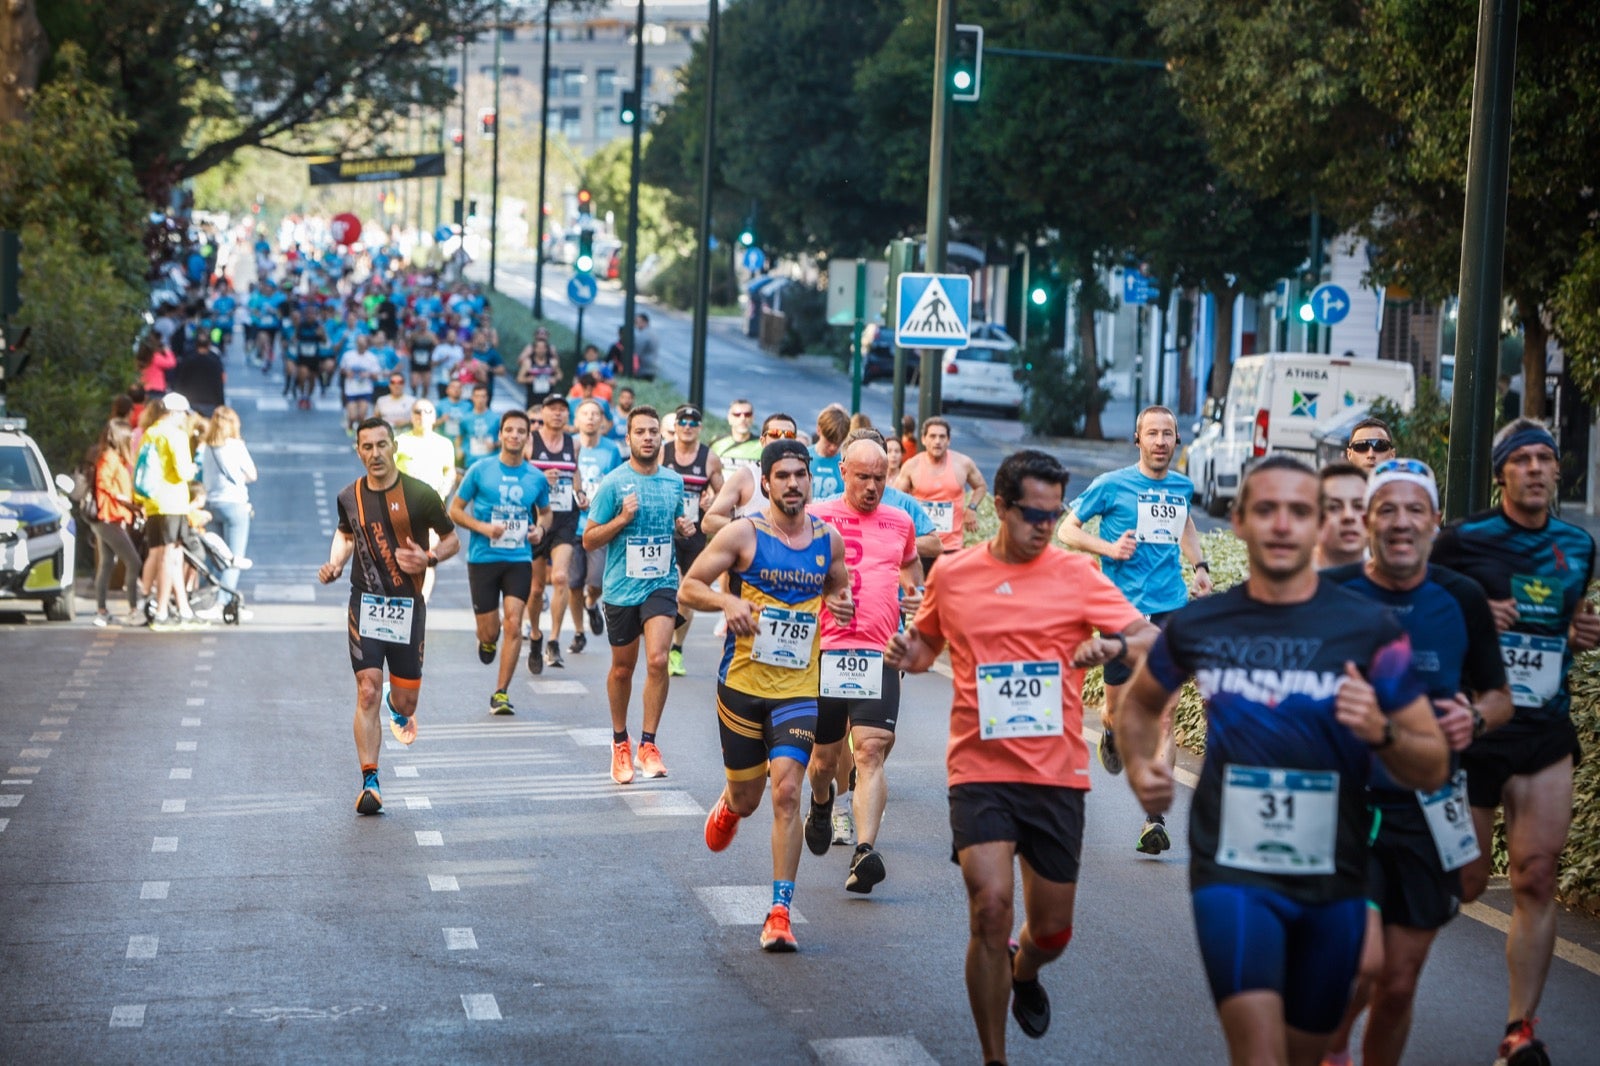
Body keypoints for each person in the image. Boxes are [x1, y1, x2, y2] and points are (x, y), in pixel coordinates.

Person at [1118, 455, 1448, 1066]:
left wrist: (1381, 730)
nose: (1281, 524)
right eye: (1265, 509)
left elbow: (1432, 763)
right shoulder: (1202, 623)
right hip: (1231, 867)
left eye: (1299, 511)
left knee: (1305, 1052)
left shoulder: (1370, 630)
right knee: (1260, 1053)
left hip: (1336, 875)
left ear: (1320, 523)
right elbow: (1138, 707)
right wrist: (1141, 769)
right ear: (1238, 521)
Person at [884, 449, 1158, 1063]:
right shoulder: (953, 575)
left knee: (1053, 931)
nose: (1043, 524)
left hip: (1055, 771)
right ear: (1001, 508)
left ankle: (1026, 968)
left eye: (1053, 514)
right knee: (988, 906)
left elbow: (1147, 635)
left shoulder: (1077, 574)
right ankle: (994, 1056)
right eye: (1032, 513)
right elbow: (927, 646)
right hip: (979, 767)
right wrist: (908, 654)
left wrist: (1110, 642)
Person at [1319, 458, 1515, 1066]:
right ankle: (1326, 1051)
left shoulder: (1461, 600)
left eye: (1414, 510)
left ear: (1434, 521)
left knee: (1398, 984)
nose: (1401, 523)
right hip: (1346, 810)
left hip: (1430, 811)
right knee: (1359, 966)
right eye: (1387, 509)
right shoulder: (1334, 596)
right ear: (1369, 520)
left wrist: (1475, 719)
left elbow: (1500, 696)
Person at [1430, 419, 1600, 1066]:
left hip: (1544, 732)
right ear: (1501, 473)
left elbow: (1570, 622)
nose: (1534, 468)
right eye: (1521, 459)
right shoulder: (1463, 542)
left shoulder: (1577, 546)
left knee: (1535, 876)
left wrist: (1584, 632)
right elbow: (1414, 602)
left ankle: (1519, 1030)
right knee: (1469, 883)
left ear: (1558, 471)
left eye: (1545, 459)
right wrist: (1469, 611)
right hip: (1476, 732)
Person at [685, 439, 854, 951]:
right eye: (782, 476)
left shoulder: (830, 541)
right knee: (750, 797)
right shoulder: (743, 534)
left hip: (799, 688)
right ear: (765, 483)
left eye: (800, 475)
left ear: (811, 480)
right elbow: (688, 587)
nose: (793, 484)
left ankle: (779, 912)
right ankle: (731, 805)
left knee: (786, 793)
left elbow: (837, 590)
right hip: (742, 684)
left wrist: (839, 607)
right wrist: (724, 601)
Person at [1055, 405, 1212, 854]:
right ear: (1138, 439)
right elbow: (1069, 529)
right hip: (1119, 610)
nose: (1161, 441)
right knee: (1116, 708)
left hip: (1170, 608)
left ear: (1177, 441)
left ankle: (1154, 819)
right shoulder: (1112, 485)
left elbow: (1185, 523)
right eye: (1153, 434)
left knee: (1166, 712)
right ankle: (1110, 730)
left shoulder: (1180, 485)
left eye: (1168, 434)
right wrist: (1109, 547)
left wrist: (1199, 565)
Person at [318, 417, 460, 814]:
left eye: (382, 445)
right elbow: (347, 533)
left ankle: (397, 708)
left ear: (394, 446)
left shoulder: (420, 495)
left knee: (406, 702)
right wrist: (334, 563)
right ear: (358, 451)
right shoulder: (350, 496)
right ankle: (370, 781)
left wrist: (429, 558)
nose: (375, 453)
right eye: (367, 447)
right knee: (366, 689)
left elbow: (452, 540)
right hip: (365, 602)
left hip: (408, 607)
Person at [804, 437, 921, 892]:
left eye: (880, 478)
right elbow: (790, 580)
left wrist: (915, 600)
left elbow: (911, 569)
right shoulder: (815, 518)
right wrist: (823, 598)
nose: (873, 487)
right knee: (823, 760)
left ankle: (865, 851)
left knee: (870, 751)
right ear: (842, 470)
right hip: (825, 652)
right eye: (863, 477)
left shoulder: (900, 521)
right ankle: (819, 802)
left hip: (880, 651)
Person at [582, 406, 696, 784]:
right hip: (621, 587)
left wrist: (684, 528)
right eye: (640, 432)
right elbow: (589, 538)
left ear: (660, 438)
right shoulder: (614, 483)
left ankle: (648, 743)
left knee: (659, 659)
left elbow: (680, 526)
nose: (648, 437)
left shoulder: (673, 482)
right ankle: (620, 743)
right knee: (622, 669)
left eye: (652, 431)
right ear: (628, 439)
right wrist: (621, 520)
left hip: (661, 583)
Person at [449, 409, 552, 715]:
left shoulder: (535, 477)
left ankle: (501, 692)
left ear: (527, 437)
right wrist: (483, 528)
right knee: (490, 631)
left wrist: (540, 530)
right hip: (483, 558)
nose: (515, 436)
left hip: (518, 558)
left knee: (514, 623)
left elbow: (545, 512)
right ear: (500, 435)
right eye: (509, 430)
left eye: (521, 431)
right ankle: (487, 641)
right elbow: (455, 510)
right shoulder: (480, 470)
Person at [661, 403, 724, 677]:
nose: (687, 426)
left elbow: (726, 499)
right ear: (675, 426)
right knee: (669, 584)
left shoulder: (709, 459)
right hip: (665, 530)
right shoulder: (663, 452)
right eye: (682, 422)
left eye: (693, 422)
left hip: (695, 534)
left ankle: (676, 648)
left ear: (700, 427)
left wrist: (712, 501)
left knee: (687, 590)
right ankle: (658, 638)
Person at [526, 393, 583, 671]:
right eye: (552, 409)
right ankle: (535, 634)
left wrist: (580, 492)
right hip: (536, 520)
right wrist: (538, 478)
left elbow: (575, 472)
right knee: (536, 588)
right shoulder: (529, 441)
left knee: (560, 577)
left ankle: (554, 640)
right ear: (544, 412)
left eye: (563, 410)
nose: (558, 414)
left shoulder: (574, 443)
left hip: (565, 519)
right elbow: (519, 472)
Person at [137, 392, 201, 630]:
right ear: (175, 413)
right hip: (172, 501)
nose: (185, 418)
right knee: (169, 557)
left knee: (171, 556)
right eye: (184, 413)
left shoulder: (150, 432)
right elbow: (184, 472)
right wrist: (193, 469)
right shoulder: (175, 435)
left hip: (152, 502)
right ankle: (163, 611)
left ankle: (183, 609)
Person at [893, 416, 987, 575]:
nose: (937, 441)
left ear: (949, 440)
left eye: (942, 436)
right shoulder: (912, 466)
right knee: (919, 595)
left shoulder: (963, 464)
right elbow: (896, 500)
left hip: (951, 547)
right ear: (923, 439)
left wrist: (972, 508)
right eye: (932, 436)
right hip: (921, 544)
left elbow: (981, 486)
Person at [567, 397, 622, 653]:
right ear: (576, 420)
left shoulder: (611, 450)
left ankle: (591, 604)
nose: (590, 418)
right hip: (570, 526)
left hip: (598, 525)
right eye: (585, 413)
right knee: (574, 583)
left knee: (597, 581)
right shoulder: (569, 447)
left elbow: (616, 485)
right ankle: (578, 632)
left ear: (603, 421)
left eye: (595, 414)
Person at [395, 399, 459, 603]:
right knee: (400, 555)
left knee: (426, 555)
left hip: (431, 511)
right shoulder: (401, 441)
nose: (421, 415)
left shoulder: (444, 444)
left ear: (434, 417)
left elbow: (450, 472)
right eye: (417, 411)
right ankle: (401, 597)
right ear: (411, 416)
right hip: (401, 510)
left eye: (427, 411)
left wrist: (444, 491)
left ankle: (421, 601)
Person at [197, 406, 257, 620]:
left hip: (211, 505)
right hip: (235, 505)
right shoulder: (237, 446)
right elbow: (252, 474)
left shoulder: (206, 447)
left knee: (215, 556)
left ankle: (210, 599)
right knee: (234, 558)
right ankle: (222, 603)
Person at [87, 420, 145, 626]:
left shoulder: (111, 457)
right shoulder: (109, 458)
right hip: (108, 517)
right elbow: (104, 484)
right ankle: (133, 609)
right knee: (133, 562)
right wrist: (125, 501)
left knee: (106, 564)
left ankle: (102, 610)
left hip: (110, 518)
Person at [703, 413, 800, 535]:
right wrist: (749, 525)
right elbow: (708, 522)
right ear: (763, 441)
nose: (782, 440)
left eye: (789, 435)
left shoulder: (802, 477)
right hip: (751, 551)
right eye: (775, 434)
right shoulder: (746, 475)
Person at [1313, 461, 1368, 569]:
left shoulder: (1391, 580)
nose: (1348, 516)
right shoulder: (1289, 579)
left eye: (1359, 506)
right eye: (1334, 507)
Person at [340, 335, 384, 435]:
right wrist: (347, 373)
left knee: (361, 416)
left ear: (366, 345)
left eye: (363, 343)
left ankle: (359, 435)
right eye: (359, 343)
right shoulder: (348, 356)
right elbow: (342, 369)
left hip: (365, 389)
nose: (361, 345)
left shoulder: (371, 358)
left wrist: (368, 374)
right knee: (352, 416)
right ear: (356, 344)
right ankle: (350, 424)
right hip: (351, 389)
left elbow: (377, 375)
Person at [809, 404, 849, 501]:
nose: (833, 448)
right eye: (829, 441)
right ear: (819, 430)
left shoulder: (846, 461)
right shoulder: (804, 456)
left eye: (838, 443)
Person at [711, 399, 762, 475]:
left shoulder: (762, 445)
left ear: (753, 418)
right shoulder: (716, 443)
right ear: (729, 418)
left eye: (747, 414)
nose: (743, 418)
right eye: (737, 415)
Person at [517, 333, 561, 408]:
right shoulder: (528, 362)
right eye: (538, 347)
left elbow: (560, 375)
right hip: (533, 398)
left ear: (546, 349)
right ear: (534, 349)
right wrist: (528, 379)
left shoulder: (552, 362)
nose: (541, 350)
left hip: (548, 398)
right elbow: (519, 379)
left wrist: (554, 379)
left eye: (543, 348)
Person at [460, 383, 501, 463]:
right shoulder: (465, 418)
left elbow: (504, 440)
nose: (480, 400)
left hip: (490, 461)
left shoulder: (496, 418)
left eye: (483, 396)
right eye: (477, 396)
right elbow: (460, 437)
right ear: (472, 398)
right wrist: (459, 449)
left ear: (487, 398)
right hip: (471, 461)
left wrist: (495, 445)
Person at [632, 312, 659, 380]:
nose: (636, 324)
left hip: (643, 369)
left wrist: (634, 370)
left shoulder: (643, 335)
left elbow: (636, 354)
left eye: (637, 322)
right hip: (652, 368)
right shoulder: (653, 333)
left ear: (645, 322)